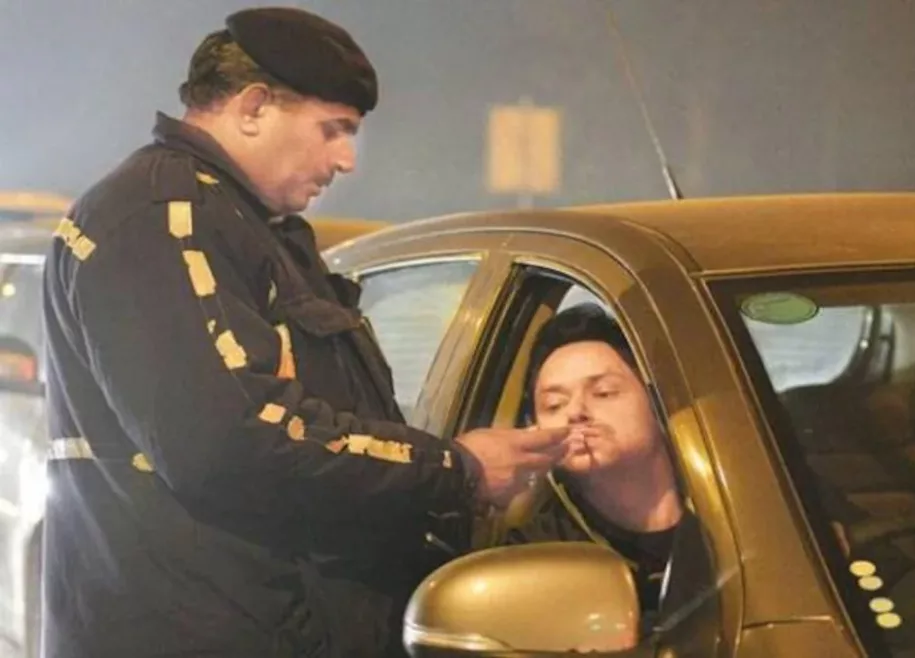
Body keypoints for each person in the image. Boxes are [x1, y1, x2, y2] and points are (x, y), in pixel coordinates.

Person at [41, 7, 567, 657]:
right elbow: (228, 440)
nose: (346, 160)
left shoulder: (238, 223)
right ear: (254, 107)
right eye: (333, 129)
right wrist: (455, 468)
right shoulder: (165, 218)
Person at [503, 304, 683, 618]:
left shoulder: (736, 508)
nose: (575, 412)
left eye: (604, 393)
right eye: (554, 404)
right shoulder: (536, 554)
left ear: (658, 401)